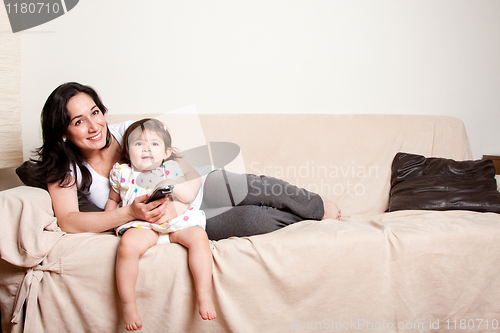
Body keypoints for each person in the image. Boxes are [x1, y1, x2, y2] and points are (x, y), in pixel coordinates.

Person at [105, 118, 216, 330]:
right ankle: (128, 304)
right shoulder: (122, 172)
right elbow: (112, 200)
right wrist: (108, 222)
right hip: (141, 225)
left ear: (166, 153)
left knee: (199, 238)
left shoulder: (172, 168)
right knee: (127, 246)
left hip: (175, 222)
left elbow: (188, 195)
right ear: (128, 152)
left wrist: (171, 186)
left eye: (154, 144)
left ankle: (204, 294)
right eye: (139, 143)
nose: (146, 148)